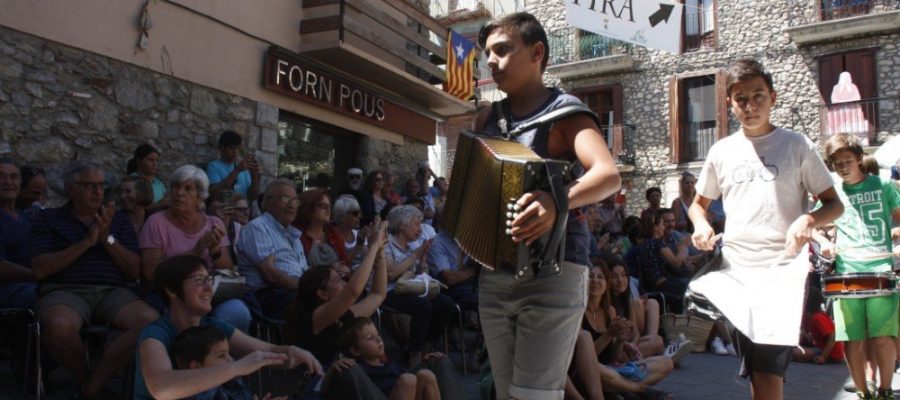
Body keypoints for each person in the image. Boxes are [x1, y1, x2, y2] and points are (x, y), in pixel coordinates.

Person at [474, 12, 622, 399]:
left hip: (553, 271)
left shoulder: (565, 111)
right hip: (494, 273)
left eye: (502, 50)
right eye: (487, 54)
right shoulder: (487, 119)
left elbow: (607, 174)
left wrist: (558, 201)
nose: (491, 61)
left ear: (537, 52)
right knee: (509, 395)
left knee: (535, 395)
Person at [687, 58, 843, 400]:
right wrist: (700, 225)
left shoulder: (797, 145)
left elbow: (834, 203)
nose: (750, 105)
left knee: (767, 371)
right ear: (730, 103)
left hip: (782, 272)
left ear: (773, 97)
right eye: (741, 98)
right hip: (737, 272)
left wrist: (809, 219)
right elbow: (698, 205)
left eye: (758, 96)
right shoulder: (721, 152)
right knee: (758, 371)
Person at [31, 161, 159, 398]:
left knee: (150, 322)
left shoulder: (118, 221)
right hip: (65, 291)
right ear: (71, 188)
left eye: (101, 186)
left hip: (113, 292)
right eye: (89, 186)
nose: (98, 192)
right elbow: (40, 269)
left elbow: (134, 271)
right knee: (59, 326)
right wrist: (85, 243)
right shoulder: (48, 219)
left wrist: (106, 239)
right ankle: (86, 379)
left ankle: (92, 385)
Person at [136, 255, 322, 400]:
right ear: (171, 290)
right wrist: (236, 367)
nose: (209, 287)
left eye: (209, 279)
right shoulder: (155, 335)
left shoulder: (214, 326)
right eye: (200, 279)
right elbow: (161, 388)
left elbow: (269, 351)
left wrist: (292, 351)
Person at [818, 132, 898, 400]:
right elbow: (813, 226)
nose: (842, 167)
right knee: (852, 338)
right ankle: (864, 392)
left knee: (883, 336)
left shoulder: (883, 185)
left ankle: (886, 390)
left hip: (881, 269)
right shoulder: (834, 194)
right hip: (847, 271)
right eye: (837, 163)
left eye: (847, 161)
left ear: (859, 159)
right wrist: (822, 241)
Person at [139, 165, 251, 332]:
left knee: (237, 311)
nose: (179, 193)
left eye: (188, 189)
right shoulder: (156, 223)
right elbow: (150, 273)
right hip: (172, 292)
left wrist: (214, 251)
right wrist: (196, 251)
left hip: (208, 291)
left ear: (200, 197)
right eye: (176, 187)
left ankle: (226, 355)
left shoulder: (214, 223)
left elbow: (227, 270)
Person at [566, 262, 675, 400]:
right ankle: (639, 389)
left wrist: (621, 341)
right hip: (589, 374)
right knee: (600, 370)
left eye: (600, 277)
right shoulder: (577, 312)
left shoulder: (610, 311)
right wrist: (608, 335)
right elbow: (582, 357)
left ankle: (621, 389)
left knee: (666, 363)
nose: (595, 281)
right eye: (590, 276)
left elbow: (614, 356)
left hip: (613, 369)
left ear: (606, 283)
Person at [383, 205, 455, 366]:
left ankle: (426, 346)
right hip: (390, 292)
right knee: (423, 305)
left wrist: (423, 259)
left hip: (410, 290)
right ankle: (414, 353)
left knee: (445, 303)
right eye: (416, 224)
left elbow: (420, 274)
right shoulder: (387, 245)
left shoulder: (410, 247)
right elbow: (391, 274)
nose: (420, 230)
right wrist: (417, 254)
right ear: (402, 225)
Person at [236, 179, 309, 319]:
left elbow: (303, 270)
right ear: (267, 203)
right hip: (271, 295)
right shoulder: (258, 227)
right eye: (285, 199)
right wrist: (307, 289)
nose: (291, 205)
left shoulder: (293, 236)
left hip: (293, 292)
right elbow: (271, 275)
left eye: (295, 201)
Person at [337, 317, 443, 400]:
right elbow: (326, 390)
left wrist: (423, 362)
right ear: (355, 351)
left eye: (378, 334)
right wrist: (334, 367)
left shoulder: (389, 363)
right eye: (370, 338)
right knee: (407, 380)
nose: (378, 339)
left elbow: (411, 376)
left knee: (426, 375)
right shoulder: (358, 369)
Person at [171, 325, 285, 400]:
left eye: (228, 353)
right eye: (221, 356)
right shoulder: (200, 396)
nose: (230, 360)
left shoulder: (230, 383)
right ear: (196, 366)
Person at [606, 256, 664, 358]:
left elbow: (636, 332)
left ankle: (657, 352)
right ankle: (658, 353)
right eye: (614, 276)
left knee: (657, 340)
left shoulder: (626, 300)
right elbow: (613, 342)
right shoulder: (609, 306)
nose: (620, 280)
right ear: (607, 279)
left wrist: (633, 343)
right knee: (657, 343)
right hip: (617, 350)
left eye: (623, 275)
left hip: (629, 345)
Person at [792, 291, 844, 365]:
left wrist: (823, 357)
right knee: (794, 350)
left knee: (796, 353)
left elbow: (832, 337)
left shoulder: (817, 318)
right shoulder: (807, 316)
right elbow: (803, 332)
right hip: (819, 346)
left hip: (832, 353)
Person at [206, 130, 261, 201]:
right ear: (222, 148)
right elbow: (214, 193)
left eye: (237, 148)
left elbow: (252, 198)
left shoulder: (244, 170)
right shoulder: (213, 166)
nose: (235, 152)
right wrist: (237, 170)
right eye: (232, 148)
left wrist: (254, 177)